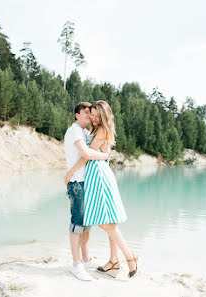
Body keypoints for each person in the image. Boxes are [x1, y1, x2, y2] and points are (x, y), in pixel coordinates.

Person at [64, 100, 138, 279]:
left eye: (97, 115)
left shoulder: (101, 130)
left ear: (104, 116)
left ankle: (130, 257)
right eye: (92, 114)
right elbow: (93, 152)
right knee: (108, 219)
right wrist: (106, 154)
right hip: (94, 176)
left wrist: (70, 172)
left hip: (98, 176)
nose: (94, 118)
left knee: (105, 221)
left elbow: (87, 155)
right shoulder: (89, 130)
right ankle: (113, 261)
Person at [63, 102, 111, 281]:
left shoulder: (85, 132)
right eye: (85, 113)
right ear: (77, 115)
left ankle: (85, 258)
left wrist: (107, 151)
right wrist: (105, 156)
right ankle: (76, 265)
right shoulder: (75, 130)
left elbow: (97, 147)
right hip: (77, 183)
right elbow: (86, 153)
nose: (89, 116)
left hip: (87, 182)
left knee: (86, 224)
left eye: (91, 114)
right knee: (77, 223)